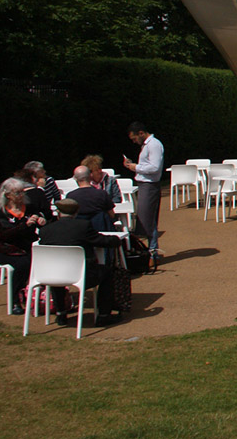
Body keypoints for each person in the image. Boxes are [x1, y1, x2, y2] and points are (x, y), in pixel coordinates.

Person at [36, 197, 125, 327]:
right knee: (107, 272)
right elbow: (101, 241)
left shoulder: (46, 231)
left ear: (58, 213)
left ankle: (61, 313)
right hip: (82, 275)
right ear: (76, 212)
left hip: (51, 275)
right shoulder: (83, 226)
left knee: (57, 271)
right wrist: (116, 239)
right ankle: (104, 315)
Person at [0, 177, 46, 315]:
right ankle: (15, 299)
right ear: (8, 195)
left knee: (43, 259)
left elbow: (40, 219)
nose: (21, 196)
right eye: (17, 193)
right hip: (7, 249)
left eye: (22, 192)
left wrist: (40, 220)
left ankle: (39, 296)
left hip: (27, 247)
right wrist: (24, 226)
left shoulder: (29, 208)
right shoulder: (2, 213)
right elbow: (5, 235)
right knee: (23, 264)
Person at [123, 122, 164, 255]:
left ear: (141, 133)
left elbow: (154, 167)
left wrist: (136, 167)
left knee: (148, 219)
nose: (134, 142)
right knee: (145, 219)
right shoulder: (148, 145)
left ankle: (152, 252)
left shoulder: (154, 145)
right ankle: (150, 250)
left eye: (134, 138)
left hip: (150, 185)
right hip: (144, 184)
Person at [66, 165, 118, 232]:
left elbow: (68, 218)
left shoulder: (70, 196)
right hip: (101, 232)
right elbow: (112, 214)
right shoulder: (102, 194)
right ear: (90, 176)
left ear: (75, 179)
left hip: (79, 232)